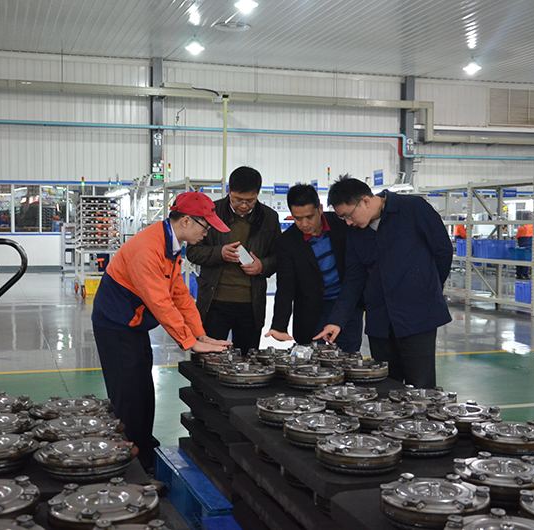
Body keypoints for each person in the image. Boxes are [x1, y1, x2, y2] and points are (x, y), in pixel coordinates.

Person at [91, 191, 231, 471]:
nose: (207, 234)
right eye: (205, 227)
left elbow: (179, 294)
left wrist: (200, 334)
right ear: (187, 221)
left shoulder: (170, 244)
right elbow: (160, 303)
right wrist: (189, 342)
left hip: (133, 325)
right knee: (129, 397)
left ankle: (145, 447)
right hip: (115, 326)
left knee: (143, 392)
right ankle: (131, 465)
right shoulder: (149, 249)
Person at [313, 177, 453, 386]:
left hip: (417, 318)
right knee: (385, 385)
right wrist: (337, 320)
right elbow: (354, 279)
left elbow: (443, 251)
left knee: (420, 387)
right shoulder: (356, 232)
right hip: (380, 321)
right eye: (343, 218)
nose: (348, 222)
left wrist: (427, 288)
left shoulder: (413, 209)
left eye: (349, 215)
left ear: (365, 201)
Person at [187, 166, 281, 352]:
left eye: (250, 201)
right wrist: (219, 253)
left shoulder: (269, 218)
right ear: (229, 191)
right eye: (238, 199)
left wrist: (262, 266)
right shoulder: (211, 213)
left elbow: (279, 257)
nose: (244, 205)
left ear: (258, 194)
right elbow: (193, 251)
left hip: (251, 304)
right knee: (210, 357)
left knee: (247, 359)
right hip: (214, 302)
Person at [264, 184, 364, 353]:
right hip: (312, 312)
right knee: (312, 360)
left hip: (346, 306)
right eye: (297, 218)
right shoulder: (287, 242)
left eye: (309, 217)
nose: (304, 224)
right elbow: (286, 286)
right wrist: (279, 325)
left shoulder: (341, 224)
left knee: (349, 356)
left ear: (320, 209)